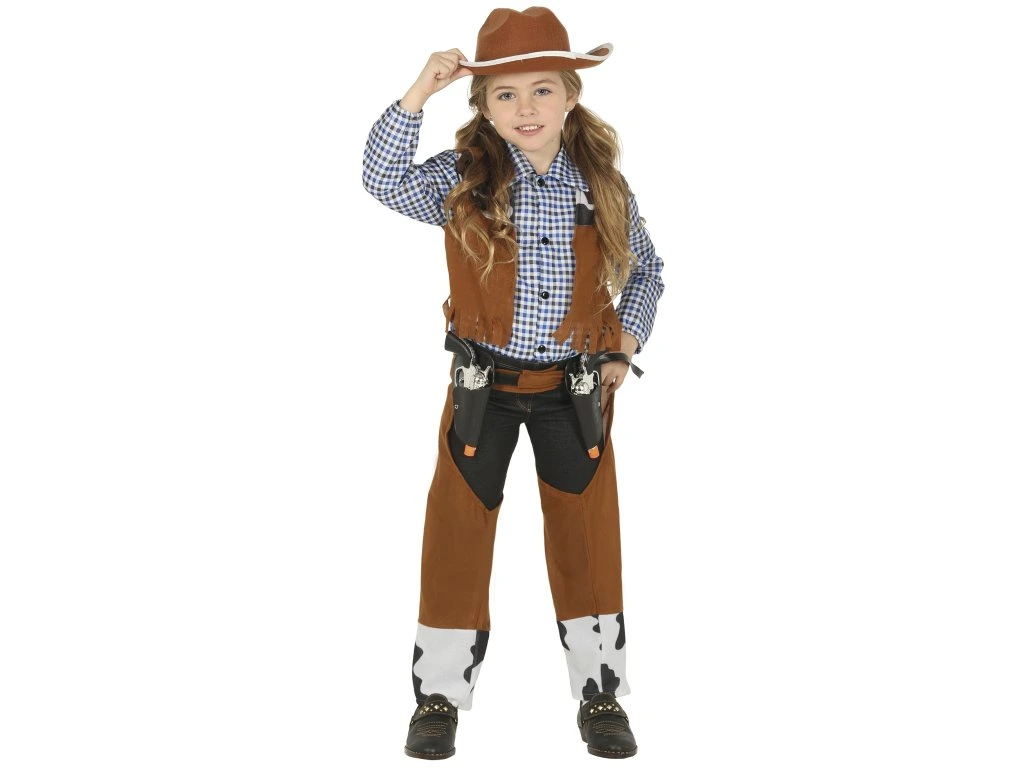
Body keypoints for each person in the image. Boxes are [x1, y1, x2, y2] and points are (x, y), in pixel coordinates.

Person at [362, 6, 665, 760]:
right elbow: (380, 178)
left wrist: (625, 343)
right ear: (484, 105)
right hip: (482, 388)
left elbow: (647, 271)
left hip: (574, 392)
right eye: (505, 94)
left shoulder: (602, 185)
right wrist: (417, 93)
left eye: (541, 89)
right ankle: (438, 695)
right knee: (456, 535)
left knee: (588, 538)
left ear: (571, 96)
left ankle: (600, 692)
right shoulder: (462, 180)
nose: (524, 107)